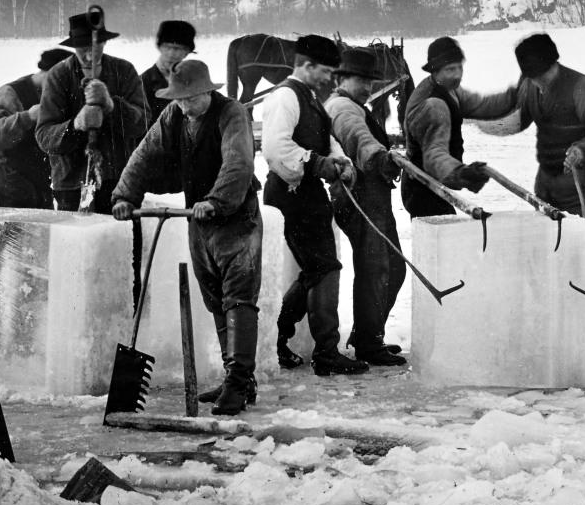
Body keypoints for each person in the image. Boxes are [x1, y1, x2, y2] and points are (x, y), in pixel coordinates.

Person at [111, 58, 264, 414]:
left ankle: (239, 382)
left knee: (238, 298)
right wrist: (124, 196)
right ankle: (237, 378)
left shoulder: (232, 113)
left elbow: (238, 162)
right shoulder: (175, 116)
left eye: (191, 99)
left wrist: (217, 200)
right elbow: (146, 154)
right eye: (178, 99)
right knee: (214, 298)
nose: (184, 106)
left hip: (237, 218)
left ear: (208, 91)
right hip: (199, 219)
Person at [261, 33, 368, 377]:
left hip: (308, 194)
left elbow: (326, 139)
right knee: (324, 268)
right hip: (290, 194)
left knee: (316, 269)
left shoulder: (309, 97)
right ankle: (325, 352)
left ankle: (280, 339)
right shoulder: (285, 98)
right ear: (306, 66)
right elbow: (276, 150)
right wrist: (317, 164)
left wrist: (341, 161)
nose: (329, 79)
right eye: (325, 71)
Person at [325, 47, 407, 366]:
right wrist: (378, 157)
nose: (368, 86)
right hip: (361, 197)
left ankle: (367, 335)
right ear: (344, 78)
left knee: (391, 267)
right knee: (376, 269)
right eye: (362, 80)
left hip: (373, 197)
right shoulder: (344, 108)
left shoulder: (353, 104)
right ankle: (369, 344)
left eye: (371, 81)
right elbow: (359, 138)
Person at [35, 5, 150, 213]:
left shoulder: (124, 71)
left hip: (120, 183)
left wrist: (112, 106)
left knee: (119, 241)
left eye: (94, 47)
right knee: (77, 244)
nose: (89, 56)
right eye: (82, 49)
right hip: (71, 185)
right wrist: (76, 124)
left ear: (105, 42)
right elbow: (44, 137)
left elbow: (143, 125)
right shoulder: (58, 76)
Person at [400, 36, 512, 217]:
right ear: (435, 71)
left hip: (436, 185)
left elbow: (481, 105)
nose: (457, 74)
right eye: (451, 69)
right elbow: (434, 154)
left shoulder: (450, 89)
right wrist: (461, 173)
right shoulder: (434, 105)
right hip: (423, 187)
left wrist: (517, 97)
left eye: (460, 67)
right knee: (443, 239)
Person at [510, 33, 585, 223]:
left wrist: (581, 150)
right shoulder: (531, 86)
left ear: (553, 63)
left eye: (542, 75)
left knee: (573, 243)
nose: (538, 82)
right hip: (545, 183)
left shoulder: (583, 87)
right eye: (533, 77)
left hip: (578, 184)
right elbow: (517, 117)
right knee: (543, 243)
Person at [0, 47, 71, 209]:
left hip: (41, 189)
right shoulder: (10, 94)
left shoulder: (56, 96)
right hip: (9, 189)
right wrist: (27, 117)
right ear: (50, 74)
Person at [139, 20, 195, 122]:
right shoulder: (142, 82)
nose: (171, 53)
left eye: (178, 49)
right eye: (167, 47)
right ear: (159, 47)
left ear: (187, 52)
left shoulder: (195, 79)